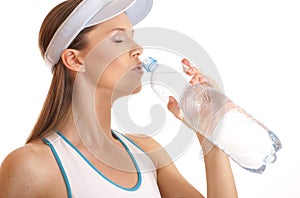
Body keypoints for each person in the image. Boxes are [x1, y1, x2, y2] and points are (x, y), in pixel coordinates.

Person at [0, 0, 238, 197]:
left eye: (132, 36)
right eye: (118, 38)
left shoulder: (147, 153)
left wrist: (211, 135)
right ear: (74, 60)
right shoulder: (32, 166)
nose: (138, 49)